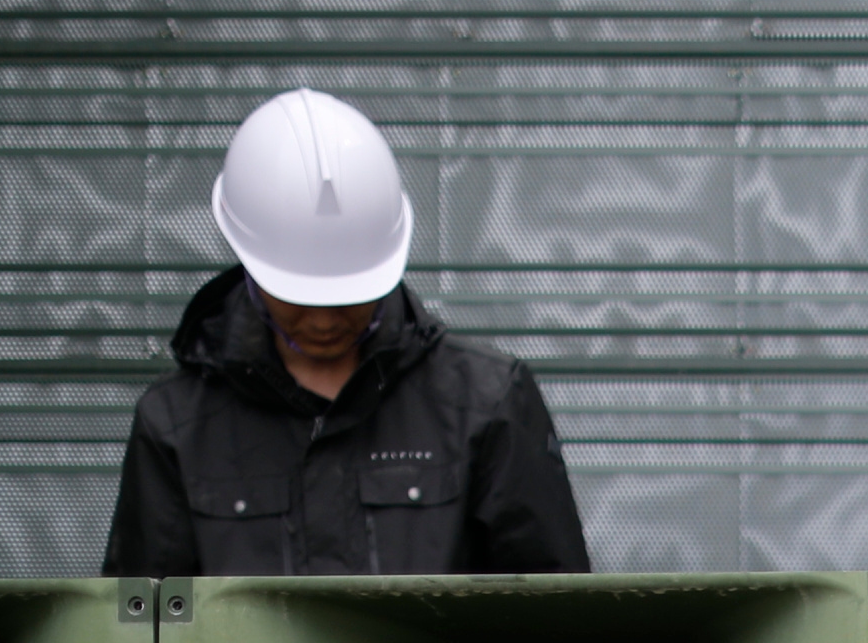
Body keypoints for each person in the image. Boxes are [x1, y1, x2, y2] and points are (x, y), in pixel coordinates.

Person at [100, 88, 591, 576]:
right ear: (250, 264)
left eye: (349, 295)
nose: (322, 320)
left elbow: (555, 622)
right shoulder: (178, 425)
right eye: (297, 296)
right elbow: (145, 632)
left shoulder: (484, 403)